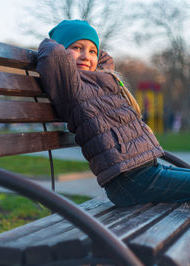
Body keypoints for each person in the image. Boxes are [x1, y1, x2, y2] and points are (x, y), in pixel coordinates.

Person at [37, 20, 190, 207]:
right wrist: (57, 39)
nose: (86, 56)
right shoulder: (71, 87)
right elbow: (52, 55)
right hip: (129, 181)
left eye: (92, 51)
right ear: (62, 49)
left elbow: (106, 60)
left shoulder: (102, 82)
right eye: (77, 47)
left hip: (148, 170)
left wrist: (83, 49)